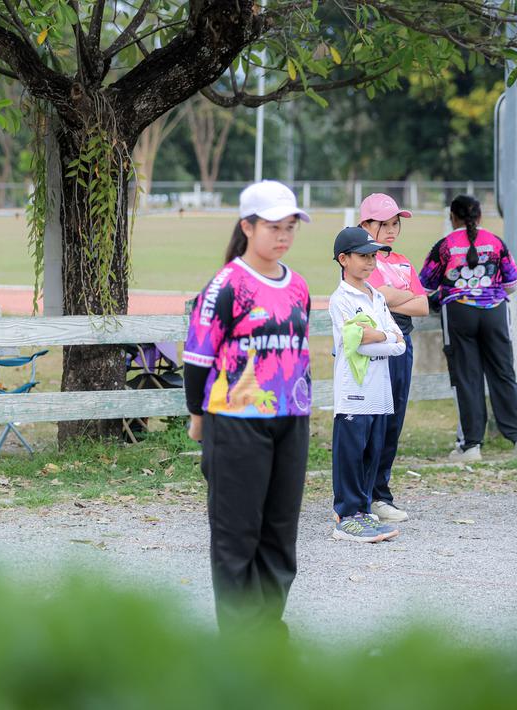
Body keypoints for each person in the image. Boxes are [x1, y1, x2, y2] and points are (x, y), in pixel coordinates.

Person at [183, 180, 312, 634]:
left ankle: (268, 634)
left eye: (290, 227)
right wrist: (198, 418)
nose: (283, 236)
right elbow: (197, 360)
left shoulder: (298, 286)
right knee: (238, 537)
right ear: (247, 226)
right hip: (236, 423)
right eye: (273, 227)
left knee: (280, 534)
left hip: (291, 421)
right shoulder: (225, 286)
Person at [419, 195, 517, 462]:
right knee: (503, 372)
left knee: (466, 378)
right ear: (480, 217)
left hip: (459, 312)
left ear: (452, 218)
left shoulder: (445, 246)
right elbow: (512, 284)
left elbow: (424, 287)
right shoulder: (495, 242)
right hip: (494, 312)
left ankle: (470, 447)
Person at [329, 226, 407, 543]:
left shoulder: (376, 297)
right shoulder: (341, 299)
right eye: (363, 256)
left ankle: (362, 512)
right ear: (343, 259)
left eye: (373, 256)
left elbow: (398, 342)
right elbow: (357, 343)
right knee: (350, 453)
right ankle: (347, 516)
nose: (371, 262)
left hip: (379, 391)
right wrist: (383, 338)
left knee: (371, 452)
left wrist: (382, 336)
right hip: (353, 392)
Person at [358, 194, 428, 523]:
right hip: (376, 344)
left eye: (395, 223)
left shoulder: (402, 261)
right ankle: (362, 494)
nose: (391, 229)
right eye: (384, 223)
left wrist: (390, 297)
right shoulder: (361, 259)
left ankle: (380, 493)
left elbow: (422, 306)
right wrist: (396, 297)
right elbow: (375, 299)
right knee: (372, 419)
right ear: (366, 225)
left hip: (403, 341)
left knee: (394, 418)